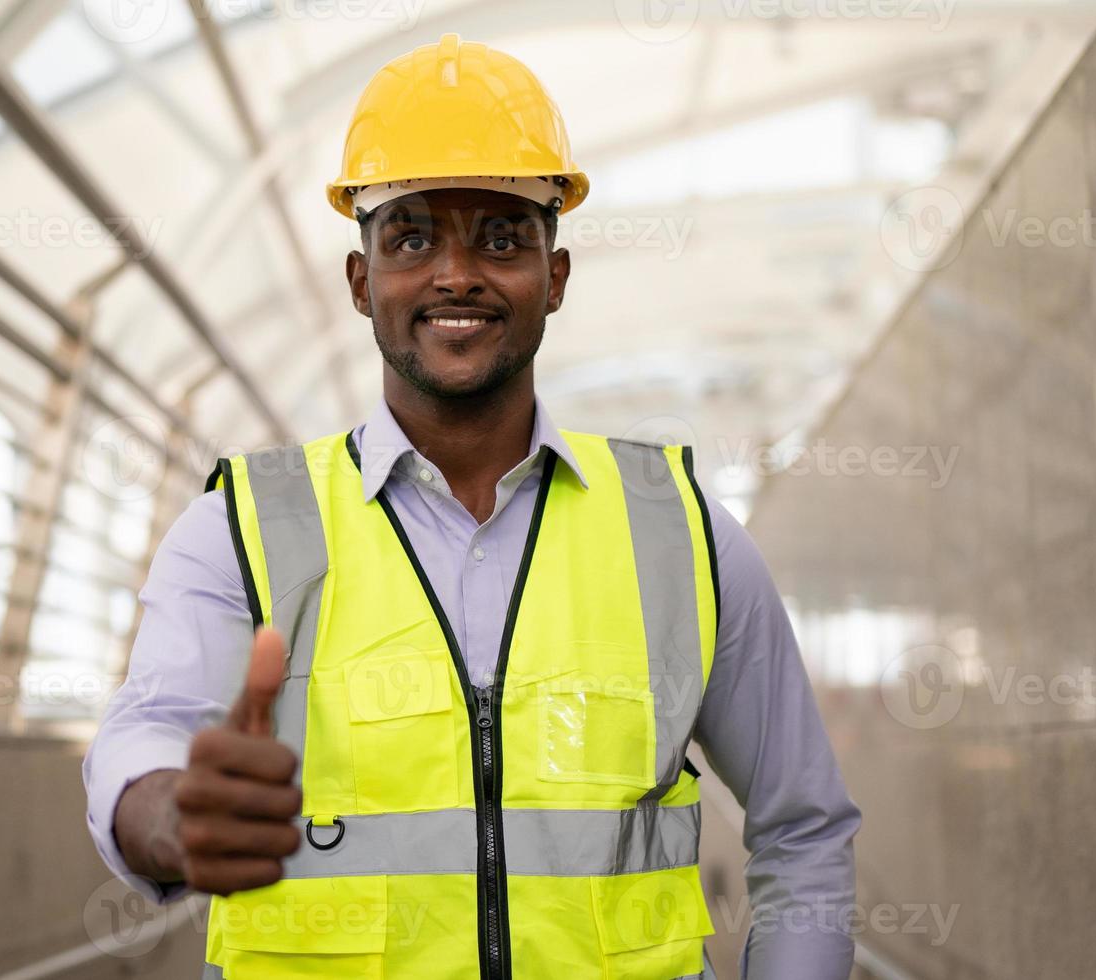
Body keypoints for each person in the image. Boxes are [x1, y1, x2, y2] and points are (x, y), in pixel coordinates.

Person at [83, 32, 860, 980]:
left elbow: (805, 830)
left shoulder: (684, 533)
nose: (457, 273)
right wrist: (170, 814)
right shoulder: (240, 530)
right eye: (411, 236)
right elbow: (145, 734)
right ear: (361, 283)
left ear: (555, 277)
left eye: (501, 235)